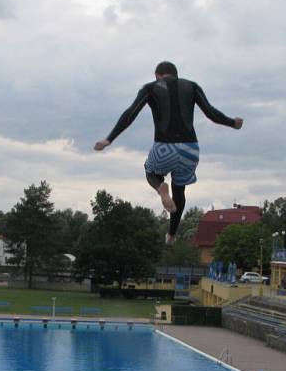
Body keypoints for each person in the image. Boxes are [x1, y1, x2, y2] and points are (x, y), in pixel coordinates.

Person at [94, 61, 243, 246]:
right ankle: (171, 235)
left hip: (165, 146)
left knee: (150, 171)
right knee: (179, 190)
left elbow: (130, 113)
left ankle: (160, 188)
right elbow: (211, 113)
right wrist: (232, 123)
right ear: (176, 75)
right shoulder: (192, 86)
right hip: (190, 149)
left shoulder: (150, 88)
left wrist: (109, 139)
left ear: (157, 75)